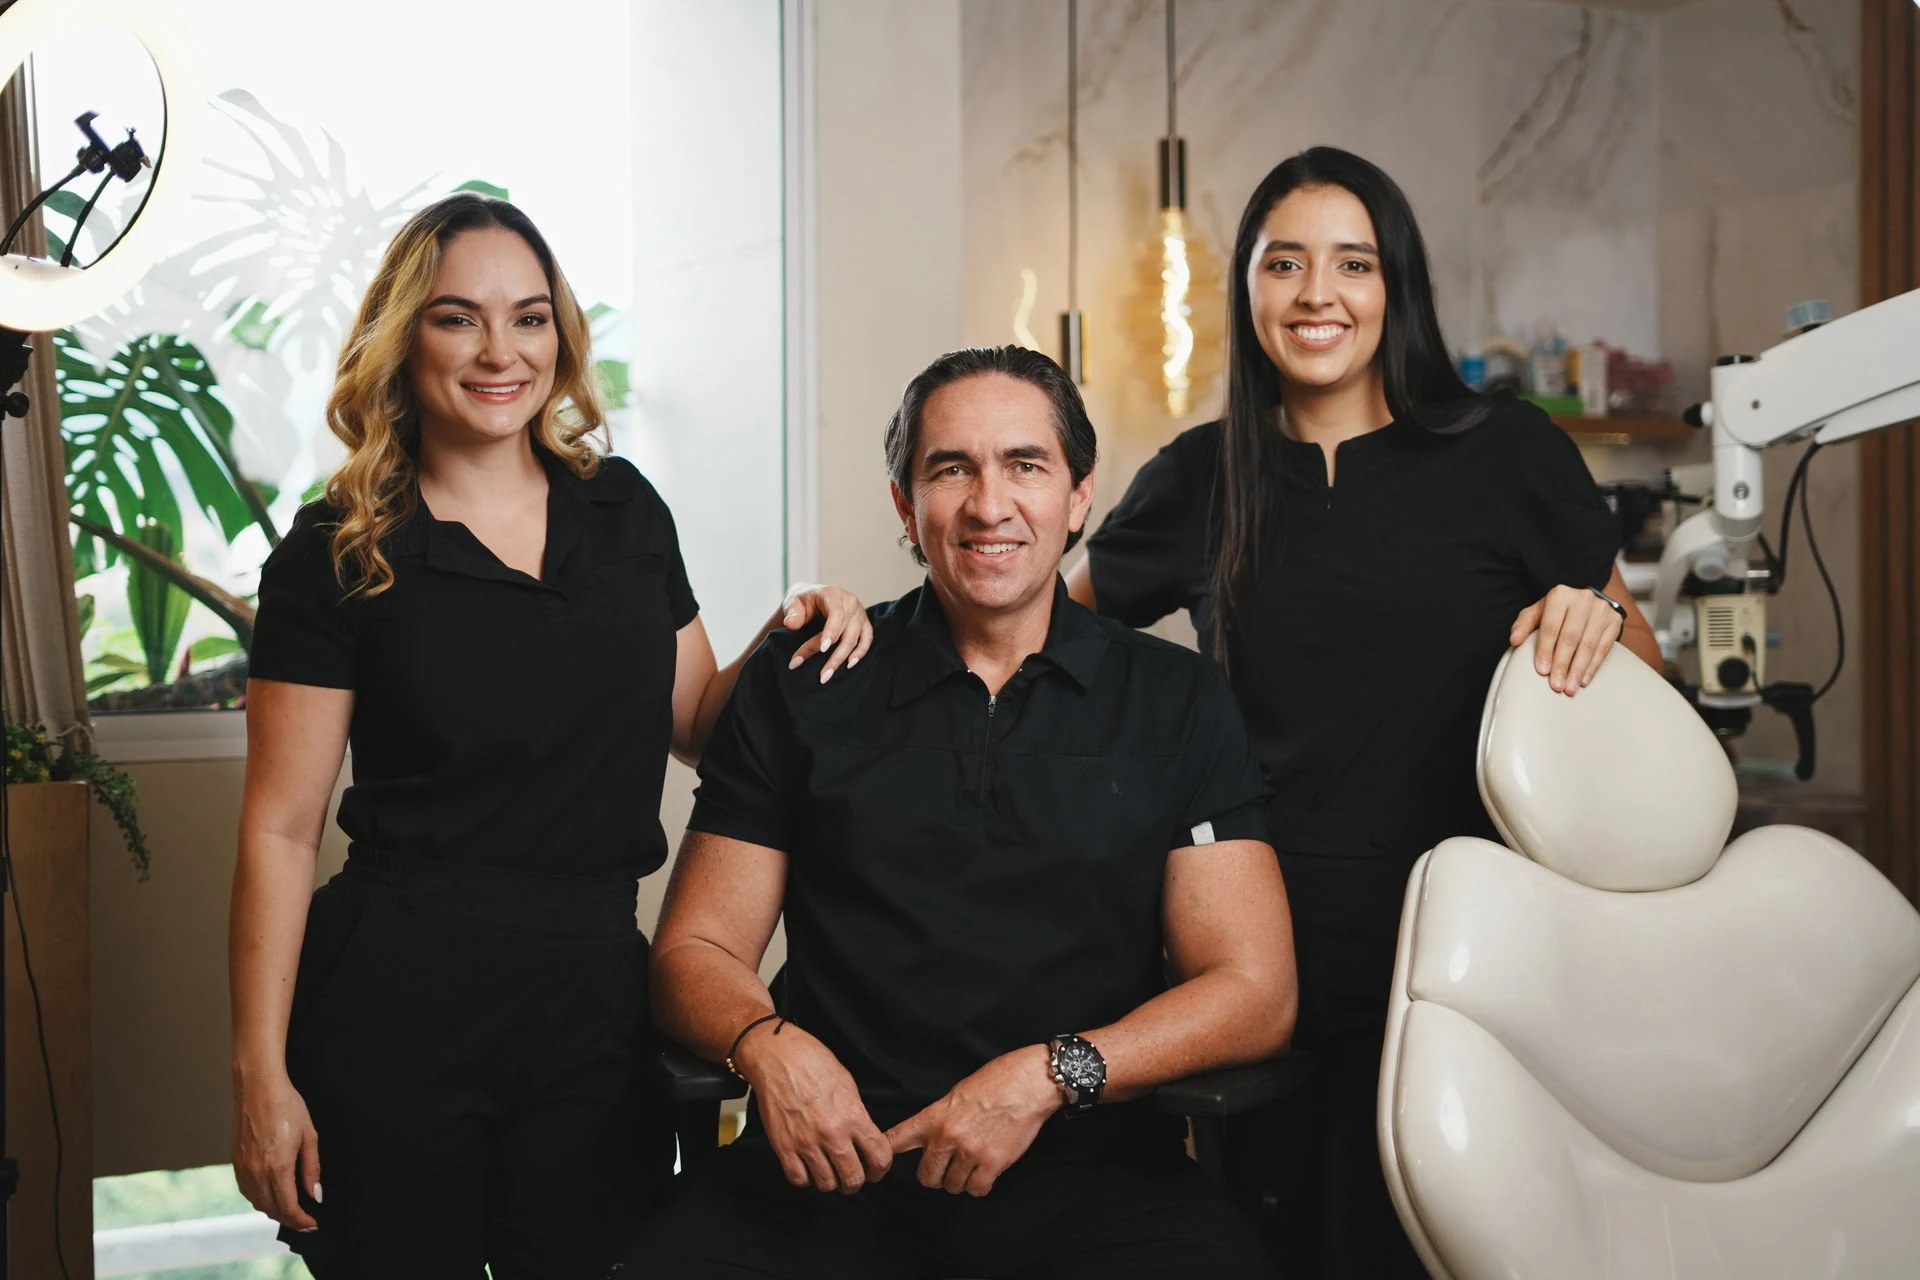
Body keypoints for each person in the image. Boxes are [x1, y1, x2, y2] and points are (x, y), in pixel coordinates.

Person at [228, 193, 873, 1279]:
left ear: (560, 337)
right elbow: (282, 832)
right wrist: (257, 1072)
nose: (500, 351)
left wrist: (798, 614)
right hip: (394, 1004)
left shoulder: (623, 512)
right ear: (404, 337)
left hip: (594, 1006)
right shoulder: (340, 547)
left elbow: (701, 728)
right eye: (457, 318)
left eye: (529, 318)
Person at [1068, 146, 1664, 1278]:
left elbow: (1638, 664)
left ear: (1398, 286)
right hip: (1265, 951)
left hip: (1481, 934)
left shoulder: (1506, 450)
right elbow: (1043, 630)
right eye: (1282, 263)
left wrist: (1593, 620)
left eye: (1353, 263)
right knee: (1284, 1239)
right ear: (1245, 289)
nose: (1316, 295)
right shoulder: (1204, 475)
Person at [616, 345, 1298, 1278]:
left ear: (1080, 495)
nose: (989, 504)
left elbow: (1255, 989)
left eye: (1026, 465)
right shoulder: (808, 682)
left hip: (1092, 1175)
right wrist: (767, 1047)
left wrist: (1050, 1076)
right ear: (905, 504)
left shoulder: (1176, 699)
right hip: (834, 1163)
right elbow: (693, 951)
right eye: (951, 469)